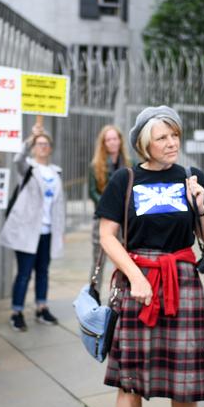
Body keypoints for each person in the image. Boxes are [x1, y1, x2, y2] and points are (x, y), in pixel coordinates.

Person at [96, 106, 204, 407]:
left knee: (186, 381)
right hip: (140, 281)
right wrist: (136, 277)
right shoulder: (125, 179)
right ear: (145, 144)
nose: (171, 142)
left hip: (182, 280)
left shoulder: (191, 176)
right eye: (162, 137)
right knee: (129, 379)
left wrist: (200, 203)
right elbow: (107, 236)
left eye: (174, 135)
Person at [0, 126, 65, 331]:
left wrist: (60, 231)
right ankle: (16, 311)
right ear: (34, 147)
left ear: (50, 148)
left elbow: (58, 205)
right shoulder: (27, 168)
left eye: (46, 144)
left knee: (43, 272)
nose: (43, 147)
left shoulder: (56, 173)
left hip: (47, 231)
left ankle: (41, 307)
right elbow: (18, 159)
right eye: (39, 144)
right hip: (28, 231)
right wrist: (30, 139)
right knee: (24, 273)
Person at [88, 125, 130, 292]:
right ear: (103, 143)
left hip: (124, 220)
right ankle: (93, 295)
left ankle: (119, 295)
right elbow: (92, 192)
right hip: (103, 219)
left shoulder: (129, 163)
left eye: (115, 138)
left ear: (120, 141)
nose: (112, 142)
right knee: (98, 261)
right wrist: (110, 206)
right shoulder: (95, 165)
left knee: (122, 260)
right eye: (108, 140)